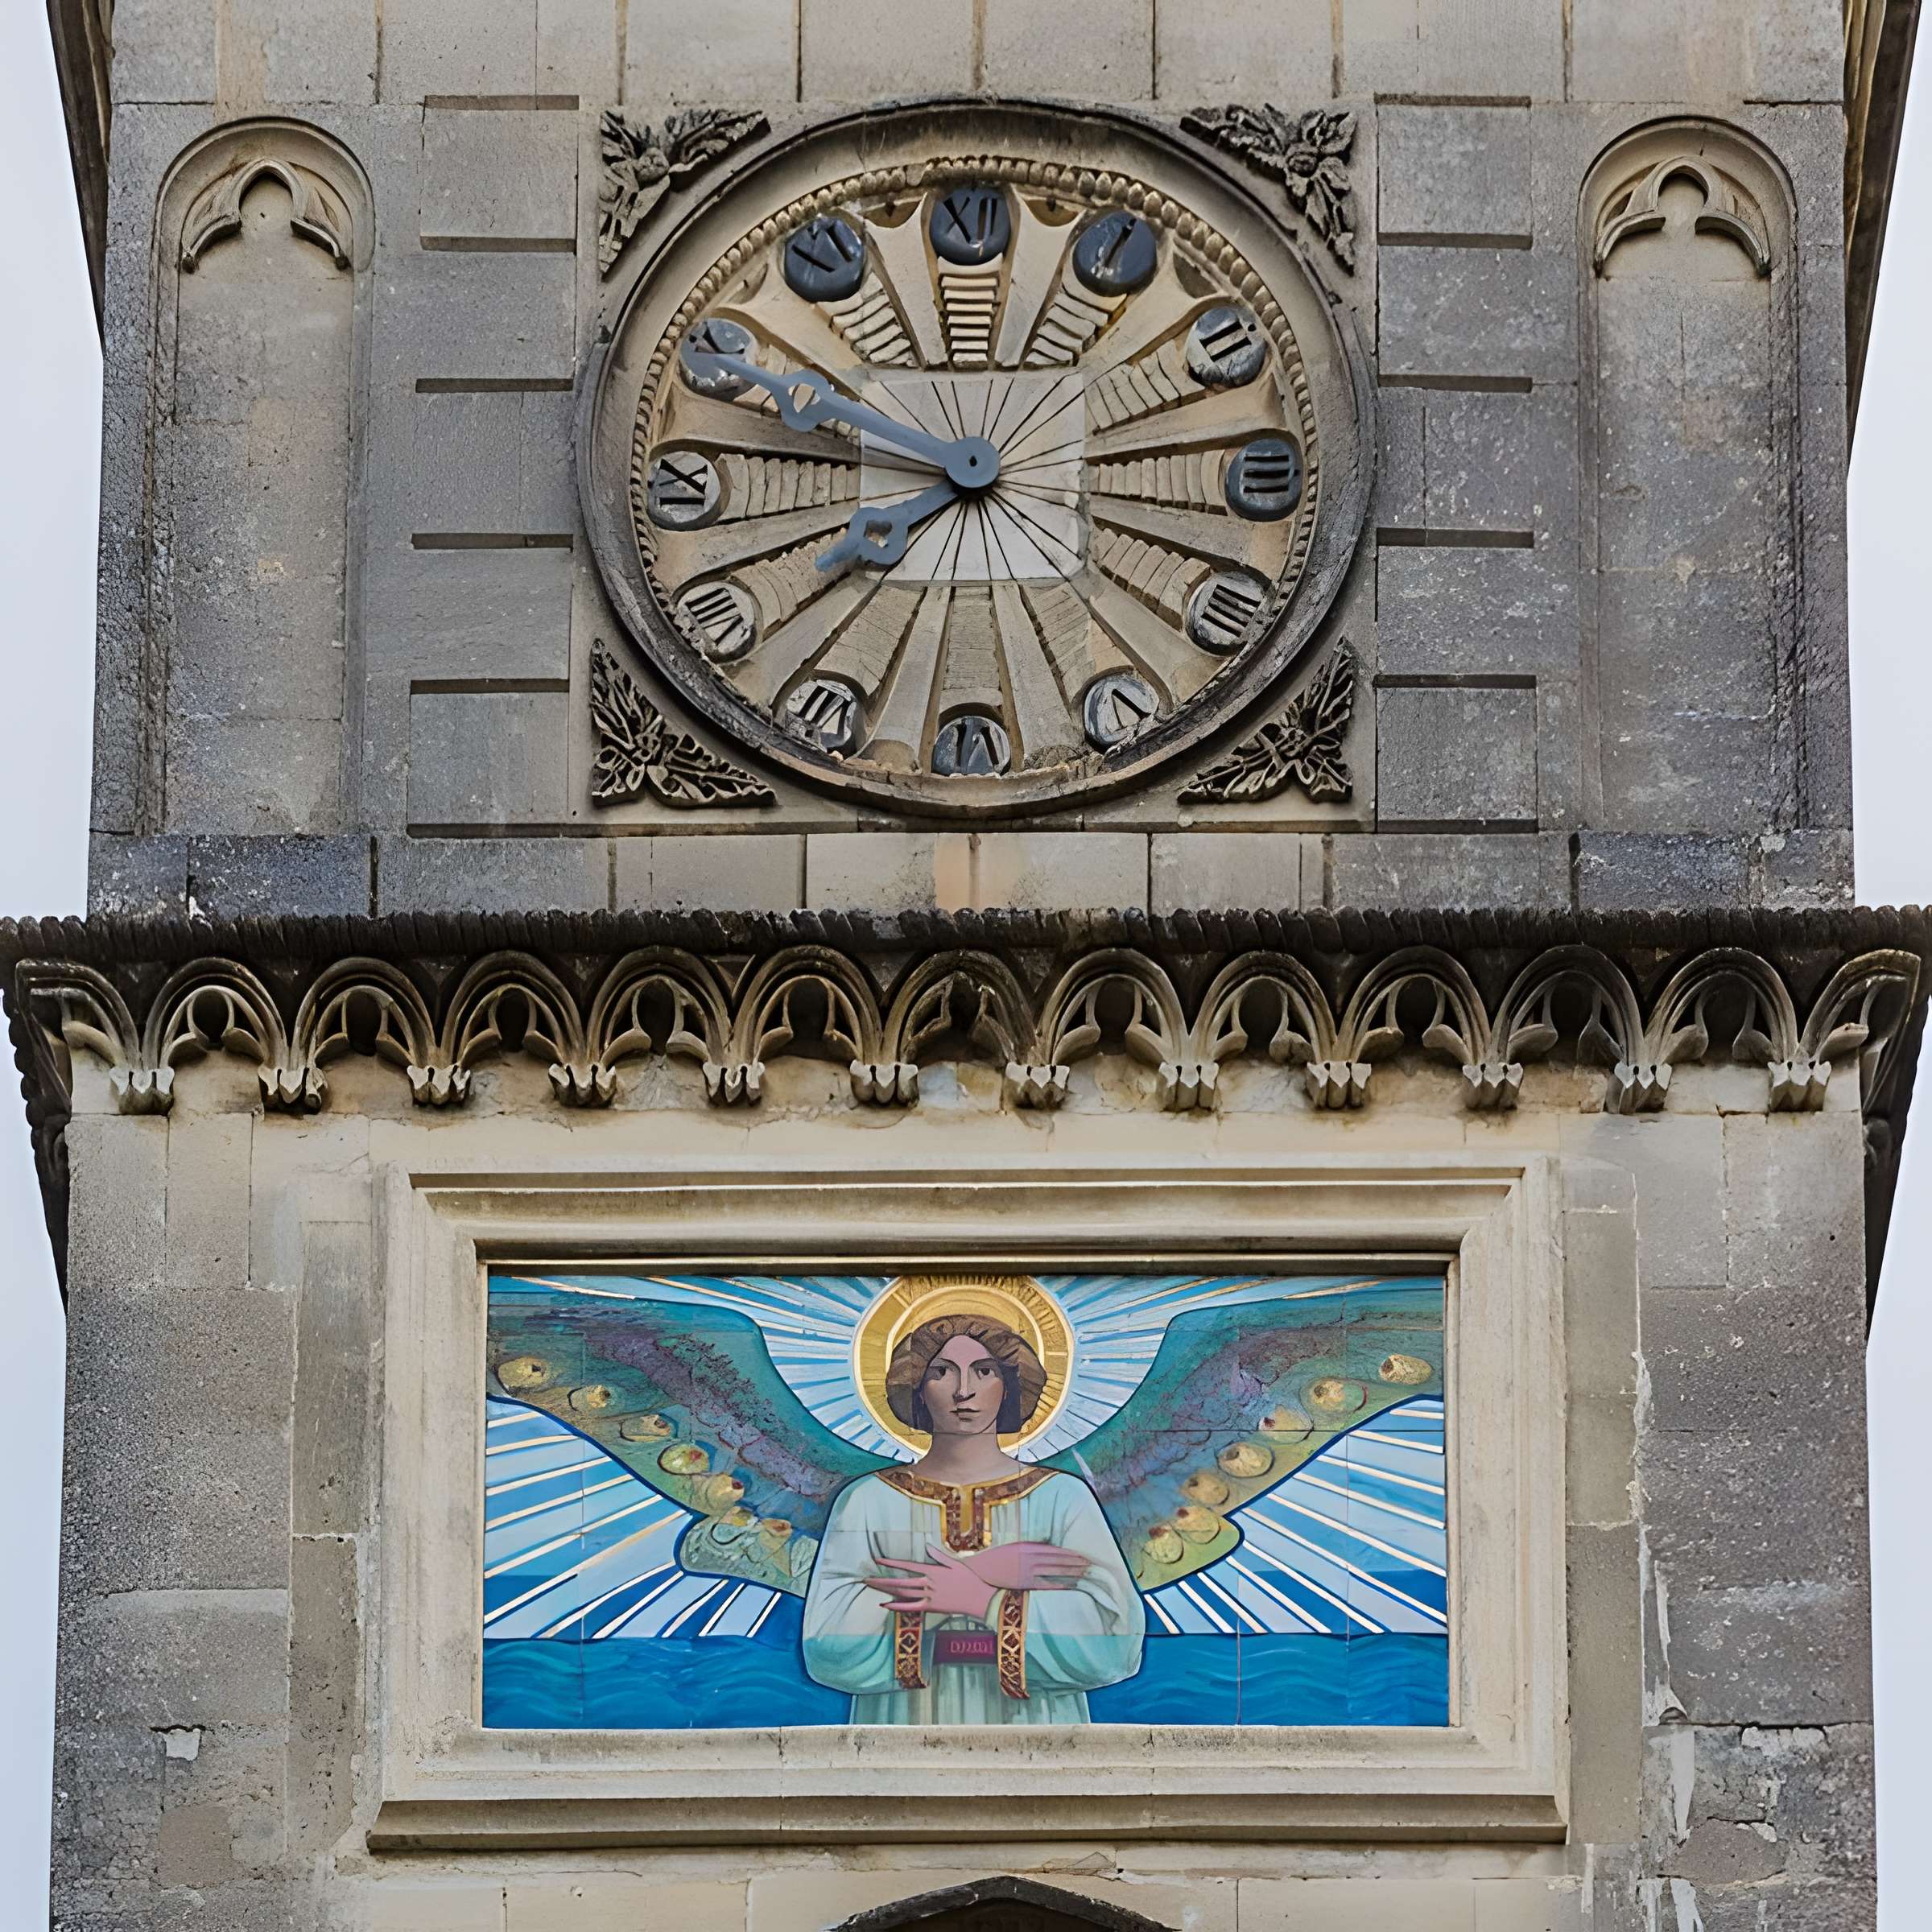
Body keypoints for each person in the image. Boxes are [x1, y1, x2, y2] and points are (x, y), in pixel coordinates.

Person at [800, 1313, 1144, 1724]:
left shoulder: (1062, 1497)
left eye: (984, 1372)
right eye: (942, 1373)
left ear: (1009, 1387)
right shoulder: (868, 1501)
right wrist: (977, 1572)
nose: (964, 1391)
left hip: (1036, 1731)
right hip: (903, 1728)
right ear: (918, 1390)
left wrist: (981, 1599)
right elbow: (827, 1646)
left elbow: (1116, 1639)